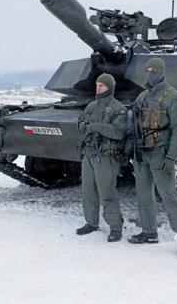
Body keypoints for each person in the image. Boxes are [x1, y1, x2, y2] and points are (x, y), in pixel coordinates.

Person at [127, 57, 177, 259]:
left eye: (154, 71)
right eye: (147, 71)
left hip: (161, 153)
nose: (150, 75)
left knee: (169, 195)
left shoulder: (174, 97)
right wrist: (132, 151)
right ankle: (149, 232)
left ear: (162, 72)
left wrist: (171, 158)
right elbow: (135, 126)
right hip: (142, 153)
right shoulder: (142, 96)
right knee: (143, 194)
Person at [75, 73, 128, 242]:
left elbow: (118, 132)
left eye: (102, 85)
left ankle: (115, 226)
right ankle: (91, 222)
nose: (98, 88)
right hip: (89, 154)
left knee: (107, 192)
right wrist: (84, 126)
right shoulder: (91, 106)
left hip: (106, 156)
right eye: (97, 85)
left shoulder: (118, 108)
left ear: (110, 87)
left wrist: (96, 126)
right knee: (88, 190)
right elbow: (80, 122)